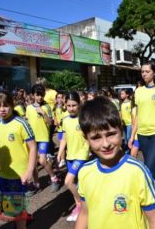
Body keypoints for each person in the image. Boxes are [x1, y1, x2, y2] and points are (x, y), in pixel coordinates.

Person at [75, 96, 155, 229]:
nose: (105, 144)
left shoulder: (137, 171)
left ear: (121, 131)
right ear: (86, 139)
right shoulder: (85, 172)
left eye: (111, 134)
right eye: (96, 137)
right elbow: (85, 214)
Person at [128, 61, 155, 209]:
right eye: (142, 71)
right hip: (142, 134)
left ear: (154, 73)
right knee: (150, 167)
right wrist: (133, 135)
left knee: (149, 165)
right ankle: (153, 192)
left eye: (147, 71)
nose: (144, 74)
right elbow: (137, 116)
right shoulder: (138, 91)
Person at [0, 91, 37, 229]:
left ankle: (22, 224)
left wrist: (29, 170)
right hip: (3, 174)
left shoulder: (21, 123)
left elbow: (33, 147)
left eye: (5, 105)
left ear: (12, 105)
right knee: (6, 207)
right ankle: (23, 217)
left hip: (18, 175)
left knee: (16, 209)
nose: (2, 109)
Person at [57, 92, 90, 221]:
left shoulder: (83, 118)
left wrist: (86, 150)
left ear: (79, 104)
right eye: (69, 105)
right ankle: (80, 206)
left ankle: (81, 205)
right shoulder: (65, 120)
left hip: (81, 155)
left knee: (68, 181)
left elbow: (88, 137)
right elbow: (64, 137)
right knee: (79, 183)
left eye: (74, 105)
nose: (71, 108)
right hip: (70, 155)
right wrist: (60, 152)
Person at [25, 84, 59, 193]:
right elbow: (27, 122)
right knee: (33, 162)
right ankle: (36, 184)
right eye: (37, 95)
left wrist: (43, 113)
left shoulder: (46, 107)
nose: (39, 97)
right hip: (32, 139)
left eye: (41, 95)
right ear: (33, 95)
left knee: (43, 160)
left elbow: (50, 123)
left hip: (43, 138)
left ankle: (54, 179)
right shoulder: (29, 108)